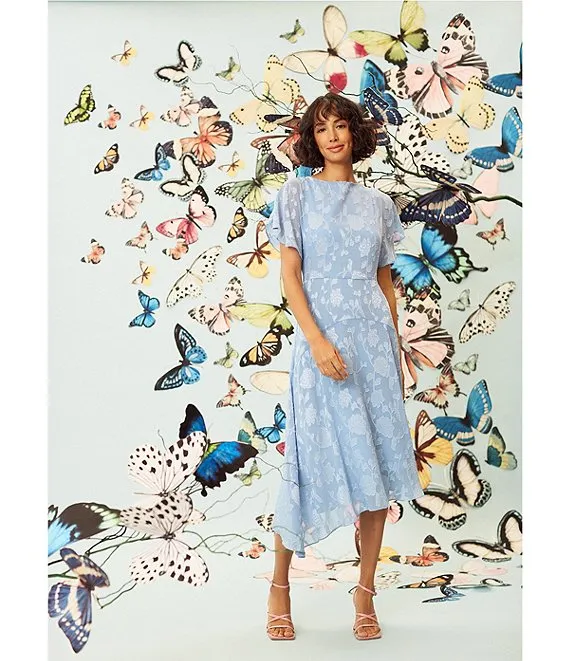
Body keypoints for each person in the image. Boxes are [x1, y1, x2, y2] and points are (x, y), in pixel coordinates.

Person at [264, 93, 424, 641]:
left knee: (376, 461)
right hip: (320, 340)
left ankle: (365, 593)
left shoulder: (379, 204)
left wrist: (393, 347)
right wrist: (315, 341)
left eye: (341, 125)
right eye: (321, 127)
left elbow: (384, 282)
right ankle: (279, 588)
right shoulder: (296, 193)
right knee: (307, 458)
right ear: (312, 138)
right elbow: (290, 276)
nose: (332, 135)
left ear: (356, 133)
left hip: (373, 344)